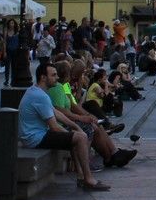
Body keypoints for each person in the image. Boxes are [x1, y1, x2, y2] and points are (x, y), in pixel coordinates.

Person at [18, 62, 109, 191]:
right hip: (34, 138)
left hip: (35, 135)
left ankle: (81, 176)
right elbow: (54, 127)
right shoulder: (40, 96)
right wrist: (77, 134)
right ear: (43, 77)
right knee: (80, 138)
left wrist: (75, 128)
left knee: (77, 135)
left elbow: (57, 113)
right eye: (53, 75)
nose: (57, 77)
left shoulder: (37, 91)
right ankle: (88, 179)